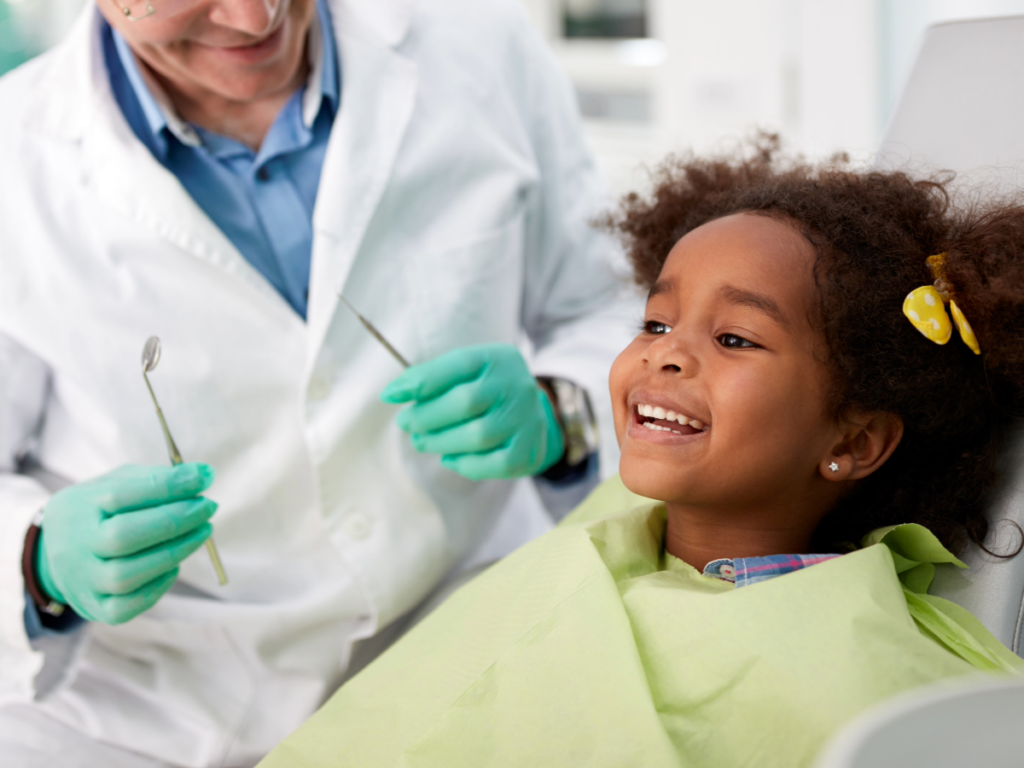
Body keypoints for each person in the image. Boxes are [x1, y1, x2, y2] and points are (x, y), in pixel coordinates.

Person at [0, 0, 634, 765]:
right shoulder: (17, 160)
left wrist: (564, 408)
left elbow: (613, 308)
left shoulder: (479, 48)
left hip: (468, 630)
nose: (255, 15)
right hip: (147, 709)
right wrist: (37, 558)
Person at [257, 140, 1024, 768]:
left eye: (733, 338)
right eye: (655, 324)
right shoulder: (609, 527)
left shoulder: (867, 669)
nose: (666, 356)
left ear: (853, 441)